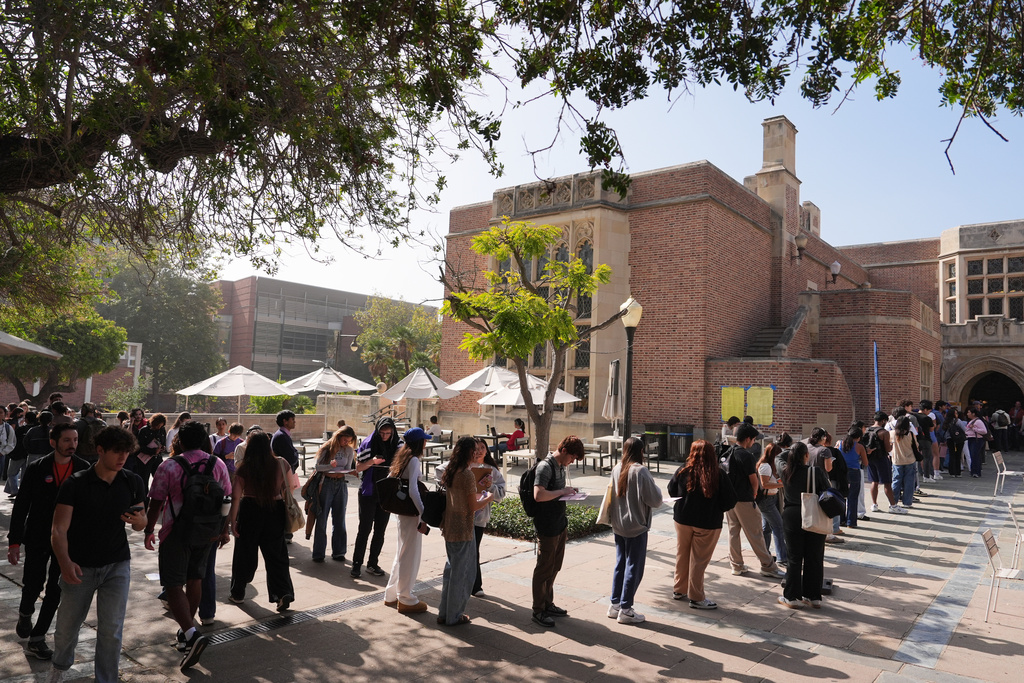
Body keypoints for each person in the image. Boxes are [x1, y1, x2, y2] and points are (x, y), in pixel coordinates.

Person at [48, 426, 147, 683]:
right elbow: (58, 529)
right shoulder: (76, 483)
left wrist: (140, 521)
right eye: (117, 452)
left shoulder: (132, 481)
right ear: (100, 451)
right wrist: (64, 563)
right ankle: (59, 668)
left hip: (117, 564)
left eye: (126, 452)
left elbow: (141, 521)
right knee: (67, 628)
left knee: (111, 629)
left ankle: (106, 679)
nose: (122, 457)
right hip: (80, 566)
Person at [144, 421, 232, 669]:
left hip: (175, 532)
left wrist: (150, 530)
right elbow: (226, 498)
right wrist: (222, 530)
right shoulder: (218, 464)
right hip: (207, 533)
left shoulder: (169, 465)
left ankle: (192, 634)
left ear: (179, 441)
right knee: (195, 580)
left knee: (173, 584)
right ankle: (186, 633)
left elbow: (156, 503)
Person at [7, 423, 90, 660]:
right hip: (37, 536)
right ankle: (25, 612)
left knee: (56, 589)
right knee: (33, 582)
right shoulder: (37, 468)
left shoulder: (83, 469)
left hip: (67, 540)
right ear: (53, 443)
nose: (72, 445)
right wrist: (14, 542)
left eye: (75, 440)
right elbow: (21, 506)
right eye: (66, 440)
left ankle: (38, 638)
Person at [227, 430, 295, 611]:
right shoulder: (281, 463)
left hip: (250, 509)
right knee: (276, 553)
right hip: (275, 509)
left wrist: (232, 521)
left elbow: (235, 497)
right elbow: (292, 485)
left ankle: (238, 593)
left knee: (244, 553)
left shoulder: (244, 468)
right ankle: (282, 593)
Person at [668, 439, 737, 610]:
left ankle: (679, 589)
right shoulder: (718, 474)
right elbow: (730, 500)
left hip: (682, 519)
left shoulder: (683, 470)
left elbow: (671, 489)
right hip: (707, 522)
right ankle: (697, 597)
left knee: (682, 554)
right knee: (699, 561)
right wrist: (717, 508)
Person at [606, 437, 663, 624]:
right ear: (641, 451)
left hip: (619, 524)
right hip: (636, 525)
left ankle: (615, 604)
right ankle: (626, 609)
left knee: (620, 563)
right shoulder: (640, 471)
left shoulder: (616, 468)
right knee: (634, 566)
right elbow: (655, 500)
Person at [439, 436, 494, 626]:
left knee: (450, 570)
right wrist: (488, 497)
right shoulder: (467, 474)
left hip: (449, 525)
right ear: (469, 452)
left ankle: (444, 613)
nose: (478, 452)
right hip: (463, 526)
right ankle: (454, 615)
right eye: (475, 449)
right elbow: (473, 506)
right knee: (462, 575)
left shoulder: (452, 470)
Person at [530, 435, 585, 627]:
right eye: (572, 458)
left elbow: (555, 493)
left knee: (555, 566)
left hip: (559, 523)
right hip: (547, 526)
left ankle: (547, 603)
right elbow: (539, 495)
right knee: (544, 567)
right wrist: (562, 492)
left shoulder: (560, 467)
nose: (571, 462)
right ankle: (538, 610)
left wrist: (568, 491)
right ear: (563, 451)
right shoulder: (546, 467)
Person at [723, 423, 786, 579]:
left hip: (730, 499)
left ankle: (736, 565)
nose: (754, 442)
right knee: (756, 533)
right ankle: (768, 566)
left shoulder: (728, 451)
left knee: (733, 532)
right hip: (744, 499)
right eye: (753, 439)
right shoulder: (746, 455)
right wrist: (754, 494)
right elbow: (754, 481)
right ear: (748, 439)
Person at [383, 428, 431, 613]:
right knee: (410, 555)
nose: (426, 443)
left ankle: (391, 594)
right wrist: (423, 512)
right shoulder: (414, 460)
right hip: (411, 513)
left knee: (402, 552)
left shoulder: (402, 458)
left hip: (401, 512)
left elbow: (390, 480)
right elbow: (413, 490)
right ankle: (406, 598)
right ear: (420, 443)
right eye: (424, 441)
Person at [778, 442, 830, 609]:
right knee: (814, 557)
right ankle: (813, 596)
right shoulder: (815, 472)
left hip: (792, 515)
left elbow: (778, 458)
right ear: (806, 456)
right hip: (813, 515)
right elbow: (828, 492)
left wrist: (790, 450)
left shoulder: (785, 472)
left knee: (794, 558)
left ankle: (791, 597)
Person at [351, 415, 399, 578]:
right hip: (368, 492)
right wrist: (372, 461)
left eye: (388, 433)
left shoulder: (397, 444)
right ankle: (356, 564)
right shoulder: (368, 443)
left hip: (386, 493)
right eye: (382, 433)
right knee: (364, 529)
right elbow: (358, 468)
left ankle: (372, 563)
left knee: (380, 530)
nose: (385, 436)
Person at [311, 425, 357, 563]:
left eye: (349, 441)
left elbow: (348, 468)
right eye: (344, 440)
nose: (346, 443)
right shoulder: (327, 448)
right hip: (327, 483)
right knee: (322, 517)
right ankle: (318, 553)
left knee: (340, 518)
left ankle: (339, 551)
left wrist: (353, 472)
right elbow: (318, 467)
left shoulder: (349, 450)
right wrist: (330, 466)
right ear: (338, 437)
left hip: (341, 483)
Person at [470, 439, 505, 596]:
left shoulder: (492, 470)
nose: (478, 451)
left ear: (486, 451)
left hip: (479, 516)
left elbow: (501, 493)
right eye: (475, 448)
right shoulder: (464, 466)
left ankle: (476, 585)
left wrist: (490, 485)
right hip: (462, 513)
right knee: (462, 550)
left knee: (474, 549)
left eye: (482, 447)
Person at [756, 441, 787, 568]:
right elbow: (765, 484)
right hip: (766, 501)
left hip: (771, 499)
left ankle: (765, 554)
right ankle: (782, 557)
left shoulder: (770, 466)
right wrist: (782, 485)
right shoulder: (765, 466)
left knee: (767, 528)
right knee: (779, 527)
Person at [128, 412, 167, 493]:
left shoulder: (162, 430)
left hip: (157, 458)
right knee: (144, 480)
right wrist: (152, 451)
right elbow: (139, 447)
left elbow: (163, 441)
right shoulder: (144, 430)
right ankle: (144, 499)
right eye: (157, 425)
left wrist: (162, 447)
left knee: (160, 479)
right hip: (145, 459)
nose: (159, 427)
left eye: (161, 426)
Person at [839, 427, 868, 529]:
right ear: (859, 437)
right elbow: (866, 463)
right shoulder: (859, 447)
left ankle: (840, 520)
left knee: (841, 496)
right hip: (854, 472)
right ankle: (850, 522)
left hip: (841, 472)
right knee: (853, 497)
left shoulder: (840, 443)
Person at [890, 416, 918, 508]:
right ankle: (907, 502)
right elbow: (916, 445)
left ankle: (893, 502)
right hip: (910, 460)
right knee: (909, 482)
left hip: (897, 461)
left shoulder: (892, 433)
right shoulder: (910, 434)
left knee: (896, 481)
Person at [943, 408, 967, 478]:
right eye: (956, 413)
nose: (957, 415)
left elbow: (944, 430)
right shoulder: (958, 421)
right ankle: (958, 471)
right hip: (958, 439)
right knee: (958, 455)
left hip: (949, 439)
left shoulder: (946, 421)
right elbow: (964, 429)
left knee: (951, 454)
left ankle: (952, 471)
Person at [965, 406, 988, 478]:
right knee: (973, 455)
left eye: (969, 412)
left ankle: (976, 472)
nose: (967, 414)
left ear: (973, 414)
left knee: (975, 455)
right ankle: (973, 471)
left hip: (976, 439)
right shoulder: (971, 421)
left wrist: (974, 428)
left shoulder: (978, 421)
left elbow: (984, 431)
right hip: (971, 439)